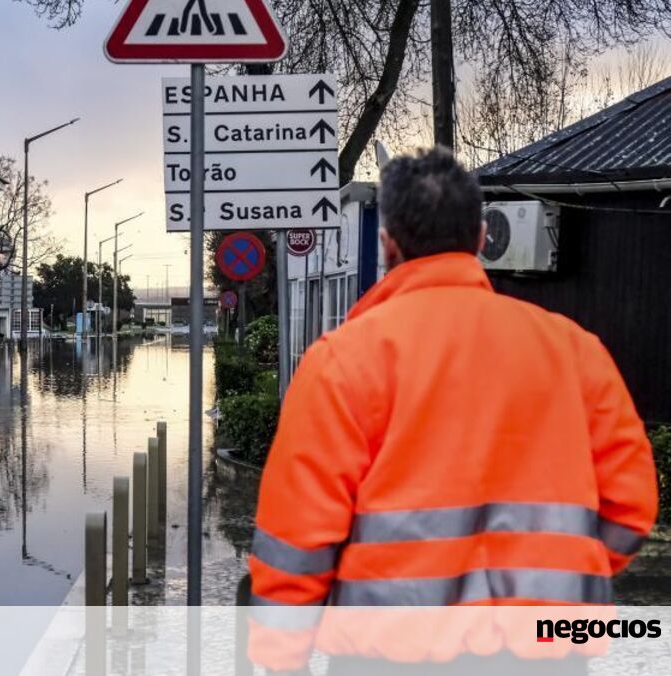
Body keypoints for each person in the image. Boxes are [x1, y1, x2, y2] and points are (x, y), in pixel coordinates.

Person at [246, 148, 658, 673]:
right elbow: (631, 506)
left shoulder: (342, 363)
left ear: (388, 244)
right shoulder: (573, 351)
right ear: (482, 238)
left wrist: (282, 662)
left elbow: (295, 541)